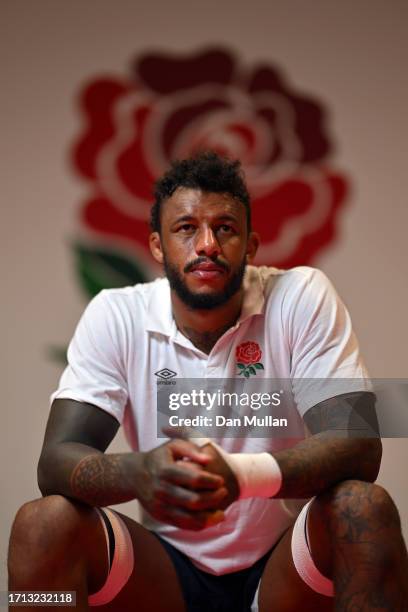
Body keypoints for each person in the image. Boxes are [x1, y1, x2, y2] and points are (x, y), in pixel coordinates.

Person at [8, 152, 408, 611]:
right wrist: (138, 472)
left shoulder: (302, 295)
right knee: (43, 523)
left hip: (284, 567)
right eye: (186, 228)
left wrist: (239, 475)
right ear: (158, 246)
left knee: (363, 507)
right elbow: (55, 462)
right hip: (164, 575)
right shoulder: (117, 314)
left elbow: (360, 443)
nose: (207, 244)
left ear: (251, 245)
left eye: (225, 228)